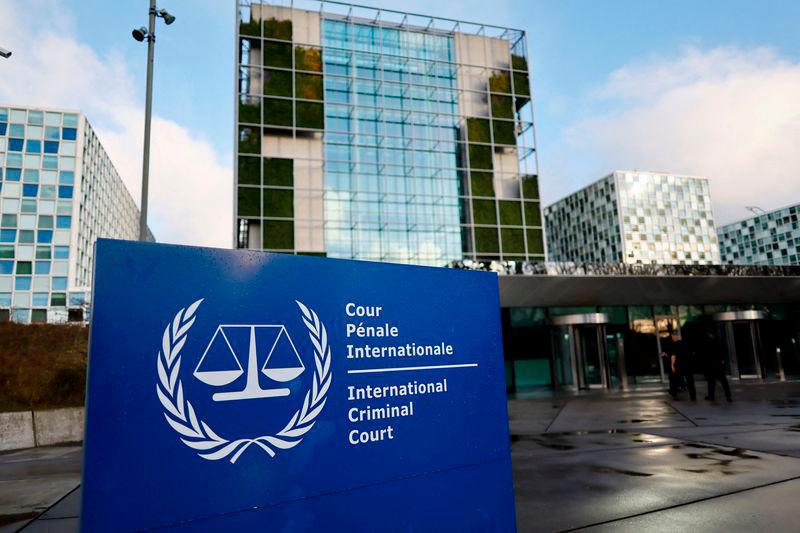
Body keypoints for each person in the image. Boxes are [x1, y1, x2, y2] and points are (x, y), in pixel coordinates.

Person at [663, 326, 696, 401]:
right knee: (690, 381)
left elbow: (673, 356)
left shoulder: (674, 345)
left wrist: (672, 365)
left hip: (679, 365)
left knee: (674, 378)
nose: (672, 338)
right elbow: (691, 353)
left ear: (674, 337)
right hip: (687, 365)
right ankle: (693, 396)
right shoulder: (685, 343)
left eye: (672, 337)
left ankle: (674, 392)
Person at [701, 330, 733, 402]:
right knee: (723, 381)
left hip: (710, 365)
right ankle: (728, 396)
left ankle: (711, 396)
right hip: (718, 364)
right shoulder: (717, 342)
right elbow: (722, 353)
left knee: (711, 382)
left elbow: (705, 355)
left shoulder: (706, 343)